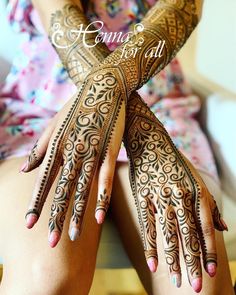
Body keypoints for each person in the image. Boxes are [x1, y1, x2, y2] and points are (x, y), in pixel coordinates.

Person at [0, 0, 234, 294]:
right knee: (47, 280)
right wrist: (147, 137)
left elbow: (181, 9)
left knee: (198, 285)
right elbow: (61, 16)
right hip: (42, 116)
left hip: (162, 114)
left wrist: (148, 140)